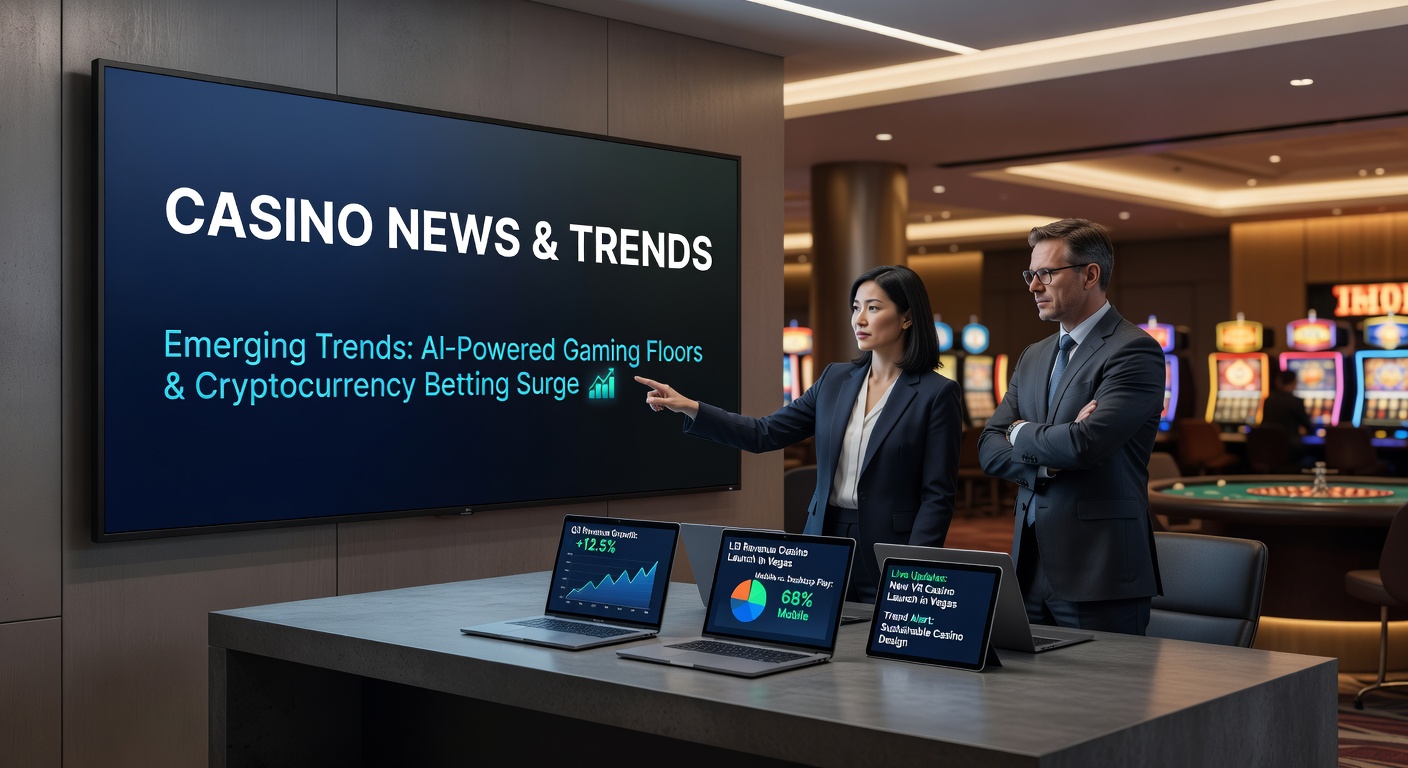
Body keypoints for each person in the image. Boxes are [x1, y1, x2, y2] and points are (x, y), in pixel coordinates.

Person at [636, 264, 963, 602]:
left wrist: (914, 568)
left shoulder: (936, 394)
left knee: (881, 650)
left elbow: (937, 497)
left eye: (873, 308)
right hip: (824, 539)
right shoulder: (835, 380)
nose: (859, 319)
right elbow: (765, 433)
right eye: (856, 307)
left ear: (907, 318)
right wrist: (691, 407)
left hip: (890, 550)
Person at [978, 219, 1164, 635]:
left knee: (1105, 699)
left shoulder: (1134, 350)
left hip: (1098, 570)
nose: (1033, 286)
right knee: (1033, 698)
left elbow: (1085, 444)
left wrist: (1021, 432)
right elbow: (988, 447)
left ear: (1090, 275)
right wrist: (1048, 461)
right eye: (1030, 274)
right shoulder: (1033, 355)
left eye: (1046, 273)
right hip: (1026, 565)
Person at [1262, 369, 1312, 440]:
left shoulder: (1268, 400)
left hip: (1269, 443)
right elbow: (1308, 426)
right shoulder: (1296, 401)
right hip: (1290, 446)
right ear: (1295, 382)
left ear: (1278, 382)